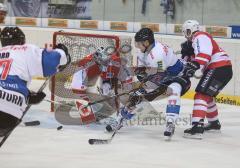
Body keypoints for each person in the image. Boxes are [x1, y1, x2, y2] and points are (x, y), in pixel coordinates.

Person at [106, 27, 191, 140]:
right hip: (162, 75)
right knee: (138, 96)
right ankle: (120, 119)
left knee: (174, 90)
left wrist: (142, 85)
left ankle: (170, 123)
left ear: (146, 42)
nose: (137, 46)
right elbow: (144, 71)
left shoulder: (157, 54)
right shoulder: (144, 52)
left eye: (139, 43)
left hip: (179, 76)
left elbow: (159, 75)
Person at [0, 26, 70, 145]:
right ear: (22, 40)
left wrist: (27, 96)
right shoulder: (26, 49)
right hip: (11, 112)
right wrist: (62, 51)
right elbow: (52, 62)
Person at [181, 20, 233, 139]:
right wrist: (188, 61)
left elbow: (204, 54)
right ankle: (214, 123)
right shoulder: (197, 41)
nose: (185, 35)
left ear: (189, 31)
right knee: (207, 96)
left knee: (201, 95)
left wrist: (194, 64)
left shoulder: (200, 36)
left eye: (186, 32)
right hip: (223, 69)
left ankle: (197, 127)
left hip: (218, 67)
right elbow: (195, 59)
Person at [70, 46, 133, 124]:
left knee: (107, 91)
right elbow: (77, 83)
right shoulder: (88, 63)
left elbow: (127, 78)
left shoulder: (116, 64)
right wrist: (82, 97)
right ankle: (91, 115)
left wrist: (128, 95)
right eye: (98, 62)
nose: (100, 64)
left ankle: (117, 112)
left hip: (107, 79)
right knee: (83, 94)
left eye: (103, 62)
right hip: (90, 79)